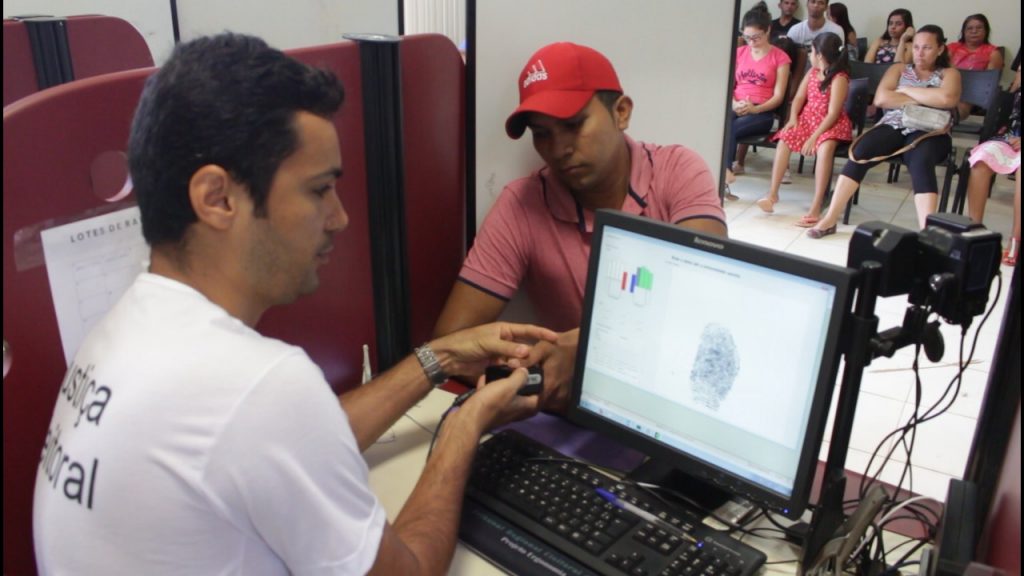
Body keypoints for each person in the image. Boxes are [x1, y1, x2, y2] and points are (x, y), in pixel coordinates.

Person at [32, 33, 558, 575]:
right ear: (217, 198)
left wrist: (440, 358)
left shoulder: (121, 330)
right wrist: (463, 427)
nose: (340, 218)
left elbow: (290, 439)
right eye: (318, 189)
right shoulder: (256, 387)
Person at [433, 42, 727, 411]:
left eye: (573, 125)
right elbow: (449, 344)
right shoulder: (522, 204)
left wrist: (589, 346)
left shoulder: (678, 171)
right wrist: (529, 371)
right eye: (542, 133)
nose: (558, 149)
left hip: (677, 403)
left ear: (621, 112)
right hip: (578, 412)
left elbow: (707, 297)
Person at [807, 25, 962, 237]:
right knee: (860, 151)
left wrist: (906, 90)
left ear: (940, 49)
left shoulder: (949, 73)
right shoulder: (899, 69)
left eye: (927, 48)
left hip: (931, 130)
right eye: (916, 47)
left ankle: (928, 234)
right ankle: (830, 218)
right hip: (894, 124)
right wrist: (928, 96)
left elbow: (947, 99)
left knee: (920, 160)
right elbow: (882, 99)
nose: (919, 53)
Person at [758, 32, 852, 227]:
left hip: (830, 125)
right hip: (808, 120)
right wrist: (793, 118)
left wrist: (814, 138)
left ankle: (816, 206)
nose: (809, 55)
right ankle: (772, 194)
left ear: (820, 55)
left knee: (825, 149)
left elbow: (833, 113)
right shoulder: (812, 73)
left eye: (811, 51)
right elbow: (799, 98)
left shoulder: (839, 78)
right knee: (785, 138)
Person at [726, 7, 792, 183]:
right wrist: (734, 103)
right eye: (747, 37)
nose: (752, 42)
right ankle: (723, 172)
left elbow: (779, 97)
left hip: (762, 112)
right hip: (737, 105)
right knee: (722, 123)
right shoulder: (739, 53)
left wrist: (755, 109)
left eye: (756, 37)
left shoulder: (780, 58)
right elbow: (728, 86)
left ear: (768, 30)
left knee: (730, 128)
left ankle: (725, 172)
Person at [965, 66, 1020, 265]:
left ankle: (1016, 240)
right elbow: (1010, 109)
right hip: (1011, 136)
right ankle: (975, 230)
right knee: (981, 159)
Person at [947, 14, 1005, 120]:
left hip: (972, 95)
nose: (974, 31)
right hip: (947, 88)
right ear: (963, 31)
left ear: (986, 31)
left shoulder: (993, 53)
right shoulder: (951, 48)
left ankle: (951, 117)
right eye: (969, 28)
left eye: (979, 28)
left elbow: (988, 85)